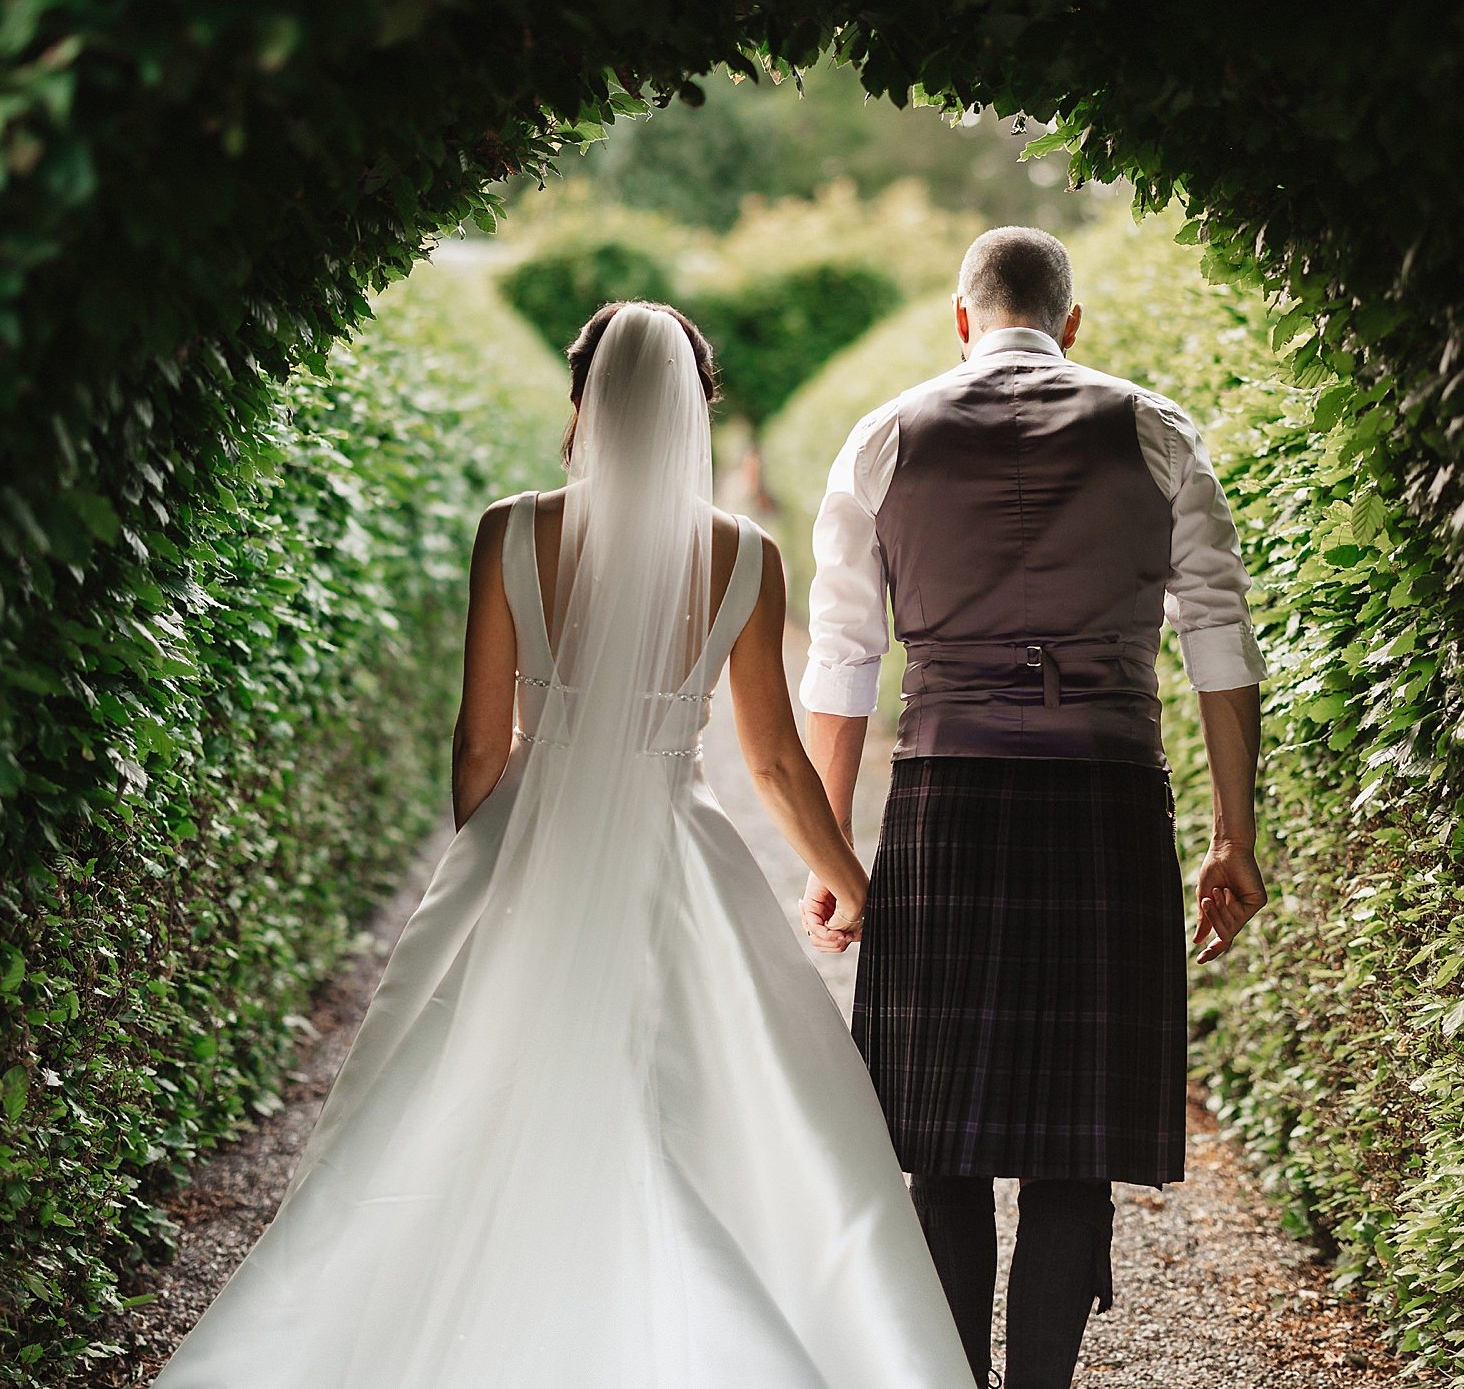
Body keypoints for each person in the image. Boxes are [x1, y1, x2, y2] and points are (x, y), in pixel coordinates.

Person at [155, 302, 975, 1388]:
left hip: (523, 841)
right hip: (677, 854)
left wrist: (498, 859)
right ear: (699, 405)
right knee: (705, 1103)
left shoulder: (511, 529)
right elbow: (772, 760)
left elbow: (478, 742)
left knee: (459, 1103)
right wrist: (847, 879)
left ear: (579, 399)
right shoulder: (743, 556)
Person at [799, 227, 1271, 1389]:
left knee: (939, 1149)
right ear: (1072, 321)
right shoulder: (1154, 428)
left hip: (945, 802)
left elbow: (844, 659)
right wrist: (1232, 835)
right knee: (1074, 1151)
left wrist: (833, 850)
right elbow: (1218, 635)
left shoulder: (882, 437)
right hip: (1107, 801)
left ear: (961, 319)